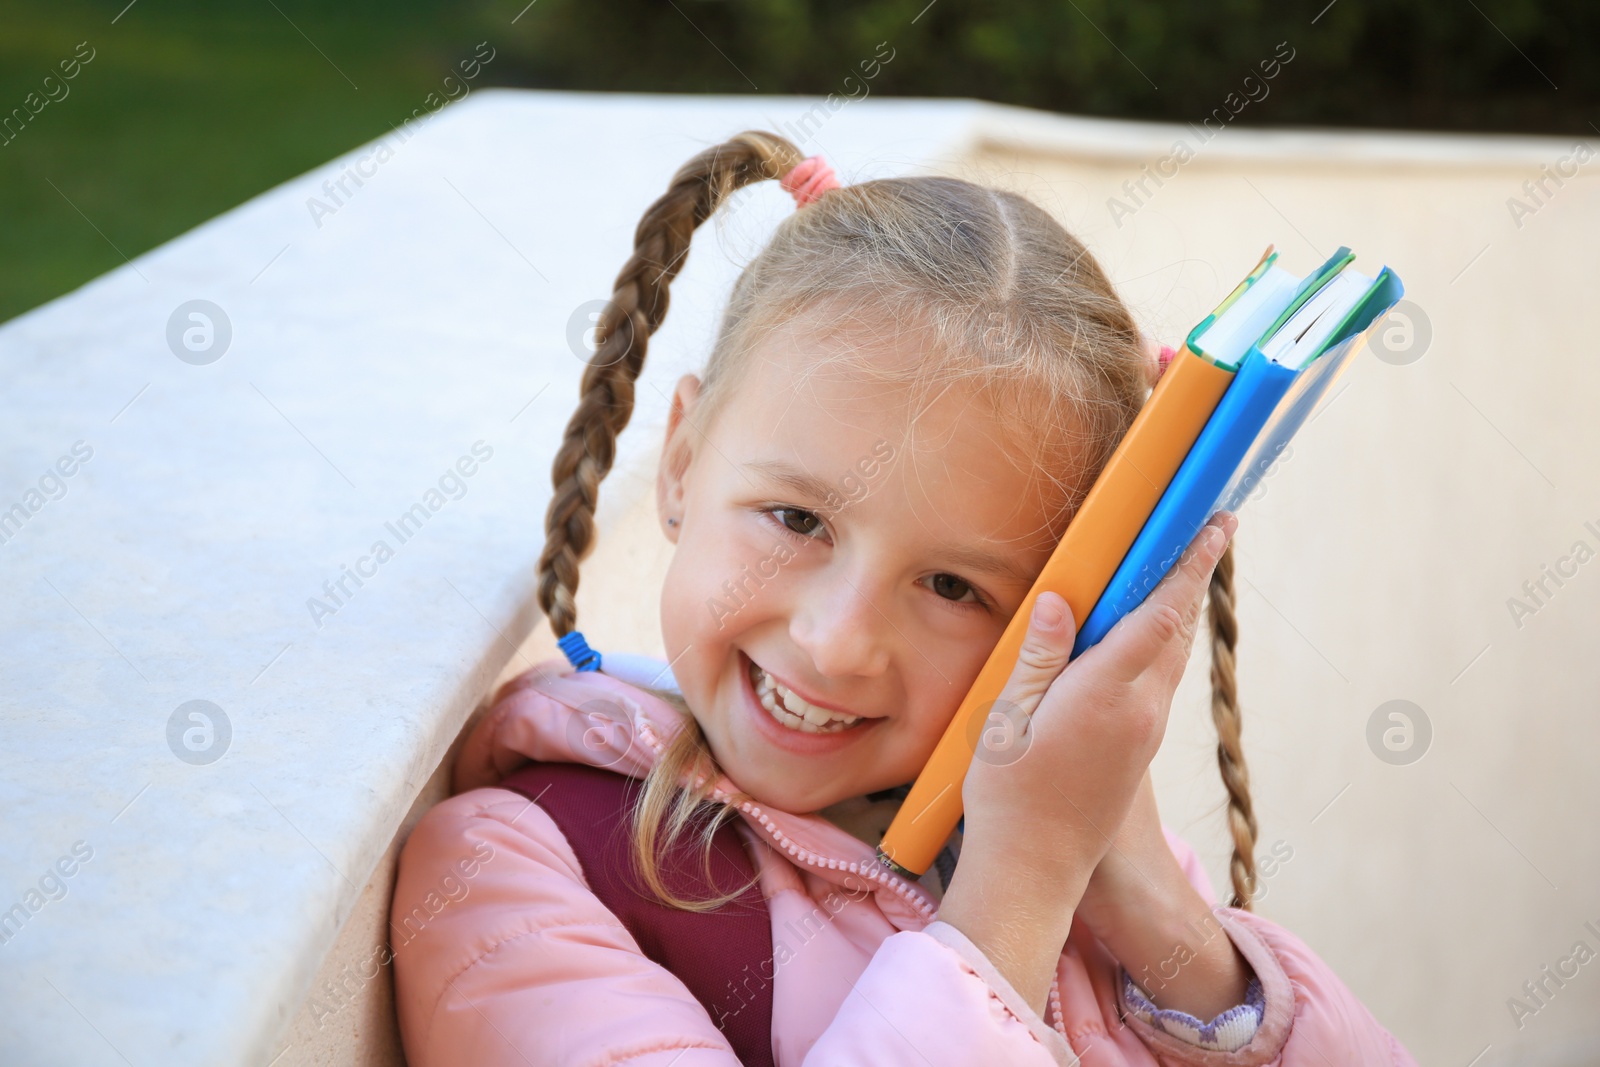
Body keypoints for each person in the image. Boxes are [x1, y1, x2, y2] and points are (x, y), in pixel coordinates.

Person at [390, 131, 1416, 1065]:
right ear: (682, 463)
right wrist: (1014, 896)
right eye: (796, 520)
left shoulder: (1069, 835)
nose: (837, 643)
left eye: (953, 585)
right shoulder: (519, 867)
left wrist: (1143, 894)